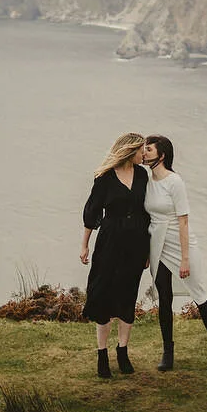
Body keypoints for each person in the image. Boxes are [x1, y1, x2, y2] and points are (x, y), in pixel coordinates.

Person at [143, 134, 207, 375]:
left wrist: (185, 259)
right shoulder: (147, 180)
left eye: (148, 149)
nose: (144, 152)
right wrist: (146, 251)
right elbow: (146, 218)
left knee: (199, 295)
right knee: (164, 297)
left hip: (179, 243)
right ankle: (168, 352)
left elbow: (183, 221)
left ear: (161, 155)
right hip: (156, 243)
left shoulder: (175, 182)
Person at [80, 132, 151, 378]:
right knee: (103, 294)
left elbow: (147, 213)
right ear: (131, 151)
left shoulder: (143, 175)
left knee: (127, 295)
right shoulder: (104, 178)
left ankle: (122, 352)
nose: (145, 154)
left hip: (137, 243)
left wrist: (148, 250)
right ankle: (102, 355)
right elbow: (91, 213)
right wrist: (84, 245)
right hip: (110, 242)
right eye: (142, 150)